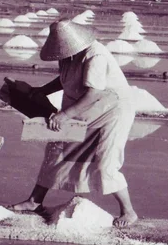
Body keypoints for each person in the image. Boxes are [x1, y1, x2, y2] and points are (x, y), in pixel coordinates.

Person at [8, 18, 138, 227]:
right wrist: (39, 91)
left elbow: (94, 93)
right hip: (85, 107)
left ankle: (128, 212)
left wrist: (65, 115)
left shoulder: (95, 55)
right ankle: (34, 201)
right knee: (57, 149)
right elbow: (63, 79)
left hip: (111, 111)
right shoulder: (67, 56)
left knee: (105, 161)